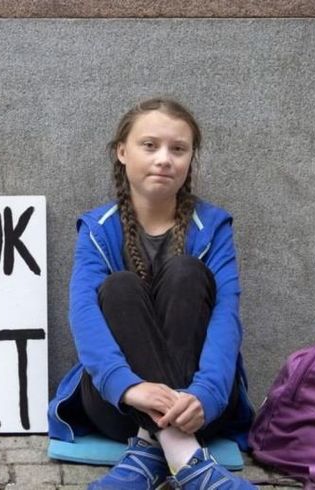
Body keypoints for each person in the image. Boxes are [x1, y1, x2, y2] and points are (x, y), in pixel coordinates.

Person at [48, 98, 255, 489]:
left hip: (198, 407)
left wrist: (207, 394)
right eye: (149, 145)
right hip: (119, 405)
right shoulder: (97, 228)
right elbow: (84, 315)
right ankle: (188, 460)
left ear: (190, 159)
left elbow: (226, 317)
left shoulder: (212, 226)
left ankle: (148, 453)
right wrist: (128, 386)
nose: (164, 159)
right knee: (120, 286)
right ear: (122, 152)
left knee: (186, 272)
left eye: (178, 149)